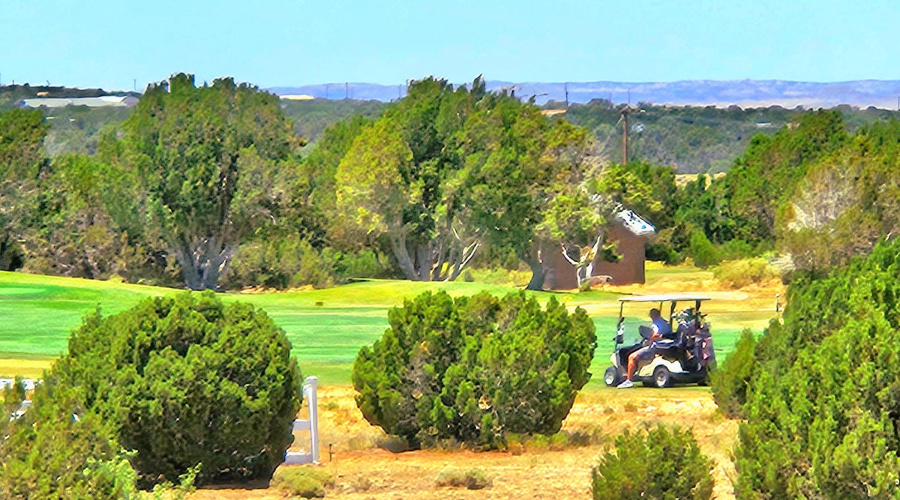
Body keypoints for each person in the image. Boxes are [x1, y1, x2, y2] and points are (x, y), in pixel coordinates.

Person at [617, 308, 672, 389]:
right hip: (664, 346)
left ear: (654, 315)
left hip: (655, 347)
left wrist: (650, 340)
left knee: (632, 357)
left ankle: (629, 380)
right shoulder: (666, 323)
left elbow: (656, 335)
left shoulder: (657, 324)